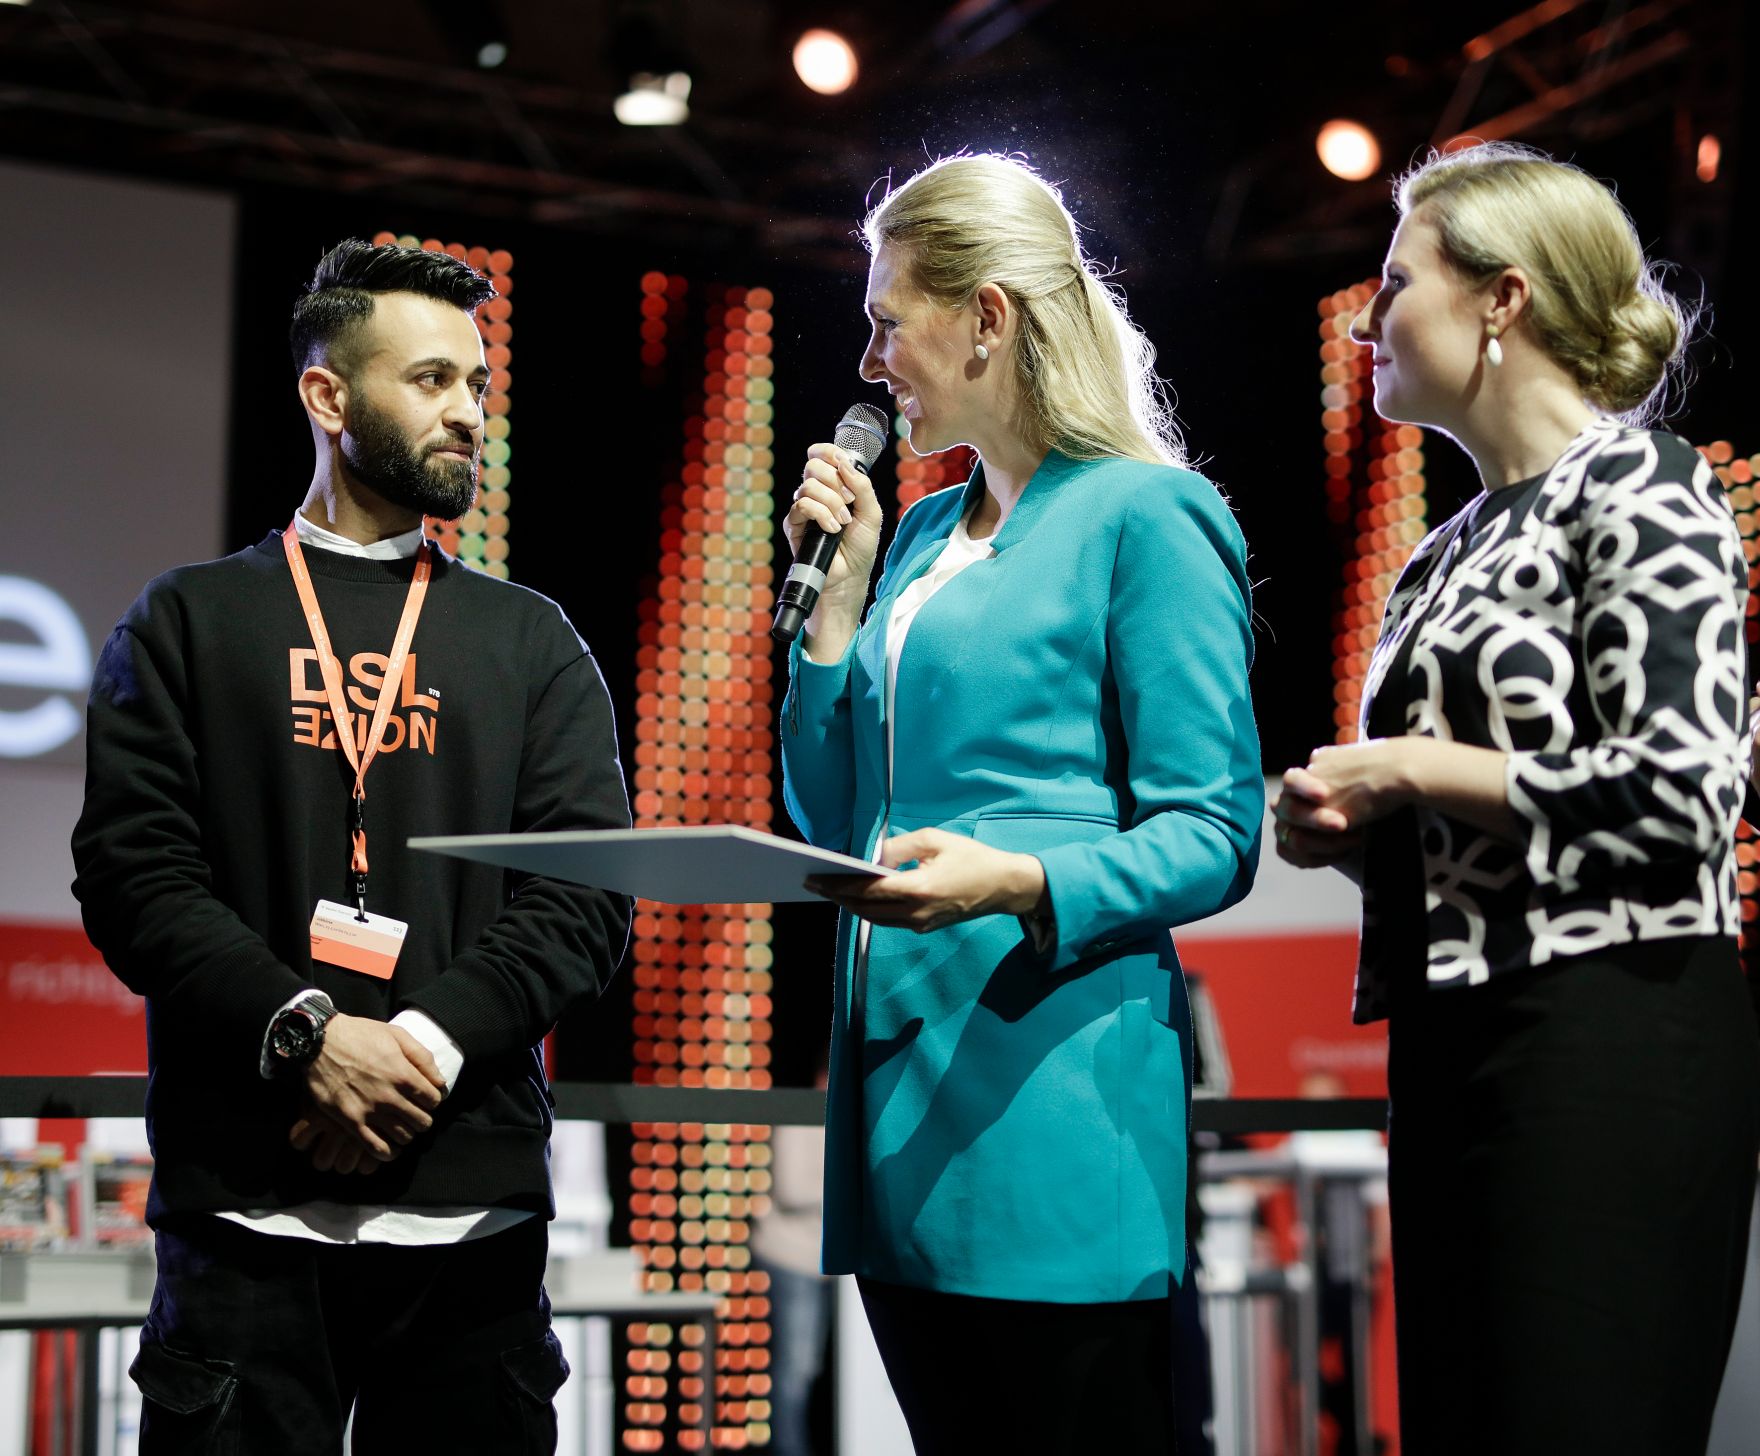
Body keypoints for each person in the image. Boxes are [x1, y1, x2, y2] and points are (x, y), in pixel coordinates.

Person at [70, 239, 632, 1454]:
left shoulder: (532, 641)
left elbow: (583, 900)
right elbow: (133, 879)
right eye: (431, 380)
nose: (467, 411)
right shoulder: (186, 620)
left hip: (470, 1226)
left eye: (476, 383)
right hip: (244, 1213)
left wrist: (414, 1049)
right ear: (328, 396)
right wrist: (307, 1037)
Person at [1273, 142, 1760, 1454]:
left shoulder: (1647, 481)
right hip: (1452, 1043)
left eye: (1396, 283)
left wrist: (1408, 767)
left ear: (1504, 298)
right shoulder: (1438, 556)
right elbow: (1477, 829)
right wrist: (1347, 831)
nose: (1366, 320)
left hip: (1607, 1034)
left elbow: (1683, 791)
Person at [780, 153, 1264, 1452]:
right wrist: (836, 605)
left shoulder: (1146, 515)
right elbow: (832, 818)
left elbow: (1215, 833)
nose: (869, 359)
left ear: (986, 317)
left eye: (889, 320)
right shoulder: (918, 539)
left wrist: (1020, 881)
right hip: (900, 1085)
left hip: (1049, 1086)